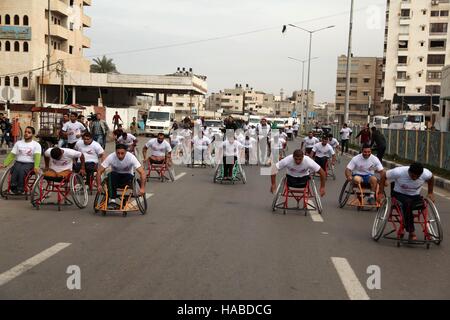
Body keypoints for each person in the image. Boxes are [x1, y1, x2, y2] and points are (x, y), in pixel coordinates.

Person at [379, 163, 435, 241]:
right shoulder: (399, 172)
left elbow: (431, 178)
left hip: (415, 196)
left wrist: (430, 193)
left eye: (417, 176)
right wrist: (381, 193)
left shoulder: (425, 173)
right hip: (399, 194)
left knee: (422, 204)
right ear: (409, 172)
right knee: (408, 204)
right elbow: (384, 176)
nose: (415, 178)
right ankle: (412, 232)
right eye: (413, 176)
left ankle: (405, 226)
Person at [97, 144, 146, 209]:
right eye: (118, 153)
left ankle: (125, 198)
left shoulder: (131, 157)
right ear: (115, 152)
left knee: (129, 176)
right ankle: (112, 201)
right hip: (115, 178)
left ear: (126, 152)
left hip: (127, 177)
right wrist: (99, 185)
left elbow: (142, 172)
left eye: (122, 153)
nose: (120, 155)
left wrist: (142, 188)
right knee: (111, 174)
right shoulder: (111, 157)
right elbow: (99, 171)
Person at [0, 127, 41, 194]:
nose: (26, 133)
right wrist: (5, 164)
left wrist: (36, 167)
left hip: (30, 163)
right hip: (18, 162)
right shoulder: (18, 143)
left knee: (22, 170)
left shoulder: (36, 145)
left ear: (33, 135)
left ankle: (20, 188)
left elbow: (37, 157)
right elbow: (12, 155)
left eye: (29, 132)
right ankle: (13, 186)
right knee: (15, 169)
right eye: (25, 132)